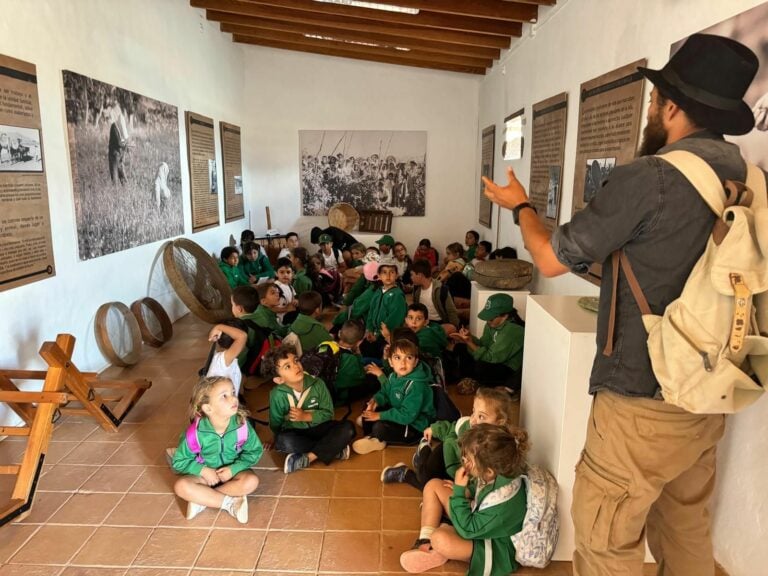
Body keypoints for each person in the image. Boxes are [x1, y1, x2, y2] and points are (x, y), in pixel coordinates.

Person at [481, 33, 761, 576]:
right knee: (684, 529)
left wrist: (521, 206)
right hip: (711, 391)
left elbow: (549, 258)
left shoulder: (650, 177)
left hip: (642, 398)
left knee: (607, 541)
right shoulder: (752, 182)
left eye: (656, 101)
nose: (651, 111)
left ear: (673, 107)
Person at [399, 424, 528, 575]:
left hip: (493, 547)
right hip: (479, 522)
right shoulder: (500, 470)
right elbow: (483, 487)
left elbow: (468, 529)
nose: (464, 462)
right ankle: (425, 542)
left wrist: (460, 492)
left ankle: (438, 546)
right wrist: (467, 489)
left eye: (469, 461)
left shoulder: (502, 503)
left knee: (440, 539)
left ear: (488, 471)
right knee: (433, 485)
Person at [381, 386, 516, 490]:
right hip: (447, 453)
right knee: (426, 477)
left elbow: (485, 481)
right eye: (474, 411)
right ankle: (423, 451)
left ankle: (405, 474)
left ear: (500, 422)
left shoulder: (498, 448)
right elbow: (451, 427)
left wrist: (462, 487)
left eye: (481, 416)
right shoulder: (467, 423)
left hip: (460, 474)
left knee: (434, 487)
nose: (473, 419)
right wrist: (434, 429)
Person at [171, 376, 262, 523]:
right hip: (205, 477)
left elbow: (255, 451)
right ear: (208, 408)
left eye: (233, 392)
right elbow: (178, 461)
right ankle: (230, 504)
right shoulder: (195, 434)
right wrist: (203, 471)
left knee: (251, 481)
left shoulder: (241, 424)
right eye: (224, 396)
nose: (233, 399)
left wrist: (234, 468)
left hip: (233, 473)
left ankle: (202, 500)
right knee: (181, 486)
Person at [262, 345, 356, 473]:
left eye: (296, 360)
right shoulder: (277, 395)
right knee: (282, 442)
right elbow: (276, 421)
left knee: (348, 428)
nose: (296, 366)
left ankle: (308, 458)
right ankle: (333, 449)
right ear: (279, 380)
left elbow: (328, 414)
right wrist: (274, 437)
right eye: (287, 366)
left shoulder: (318, 384)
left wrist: (306, 416)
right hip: (297, 432)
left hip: (320, 428)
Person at [354, 336, 436, 454]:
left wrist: (379, 416)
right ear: (391, 362)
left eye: (408, 358)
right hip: (399, 411)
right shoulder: (394, 375)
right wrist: (375, 400)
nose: (403, 363)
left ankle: (376, 439)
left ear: (415, 362)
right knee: (369, 404)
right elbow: (386, 392)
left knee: (380, 426)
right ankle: (370, 427)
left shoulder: (417, 385)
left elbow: (407, 416)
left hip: (414, 426)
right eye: (397, 358)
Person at [450, 294, 524, 391]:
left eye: (491, 318)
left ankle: (474, 381)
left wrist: (469, 343)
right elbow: (483, 344)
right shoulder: (492, 324)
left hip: (505, 367)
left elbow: (491, 357)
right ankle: (470, 379)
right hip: (491, 359)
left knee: (480, 366)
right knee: (460, 348)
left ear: (505, 316)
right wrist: (468, 337)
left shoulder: (512, 330)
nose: (488, 321)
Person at [361, 262, 407, 358]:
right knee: (362, 347)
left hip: (388, 336)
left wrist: (377, 335)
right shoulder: (378, 291)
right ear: (379, 276)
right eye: (384, 272)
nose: (388, 275)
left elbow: (394, 320)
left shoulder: (397, 295)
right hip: (374, 333)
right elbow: (371, 311)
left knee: (378, 353)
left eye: (392, 272)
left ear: (397, 275)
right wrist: (369, 329)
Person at [273, 257, 297, 324]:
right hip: (279, 322)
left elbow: (293, 301)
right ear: (276, 273)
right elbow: (270, 308)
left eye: (288, 272)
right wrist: (286, 309)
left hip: (289, 318)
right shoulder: (274, 288)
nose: (285, 275)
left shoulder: (290, 287)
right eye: (282, 272)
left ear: (292, 273)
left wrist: (295, 302)